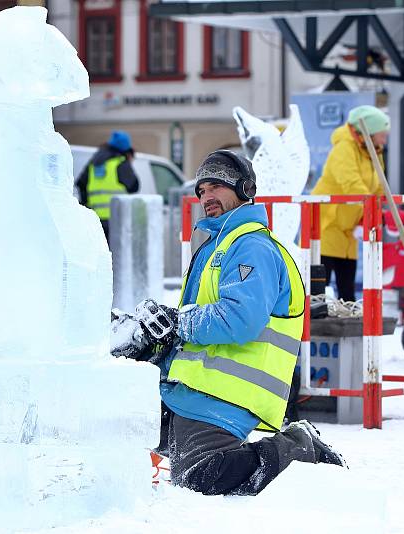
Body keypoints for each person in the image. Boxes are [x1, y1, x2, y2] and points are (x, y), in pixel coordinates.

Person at [112, 150, 345, 496]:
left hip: (224, 395)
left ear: (244, 189)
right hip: (188, 388)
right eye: (202, 190)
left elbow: (240, 320)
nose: (206, 196)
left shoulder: (253, 247)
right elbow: (193, 327)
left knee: (199, 476)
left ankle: (297, 447)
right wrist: (154, 344)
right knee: (118, 427)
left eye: (216, 186)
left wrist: (177, 321)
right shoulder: (212, 247)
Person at [311, 105, 390, 302]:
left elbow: (378, 185)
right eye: (382, 134)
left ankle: (349, 331)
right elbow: (351, 183)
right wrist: (371, 210)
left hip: (349, 228)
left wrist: (379, 210)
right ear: (369, 133)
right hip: (326, 225)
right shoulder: (344, 149)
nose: (384, 139)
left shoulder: (374, 151)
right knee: (318, 292)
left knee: (347, 293)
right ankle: (314, 331)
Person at [75, 130, 139, 238]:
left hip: (95, 220)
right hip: (116, 219)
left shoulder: (94, 163)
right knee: (115, 253)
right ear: (125, 149)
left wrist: (86, 206)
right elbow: (134, 186)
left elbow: (80, 184)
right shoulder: (120, 163)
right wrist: (129, 163)